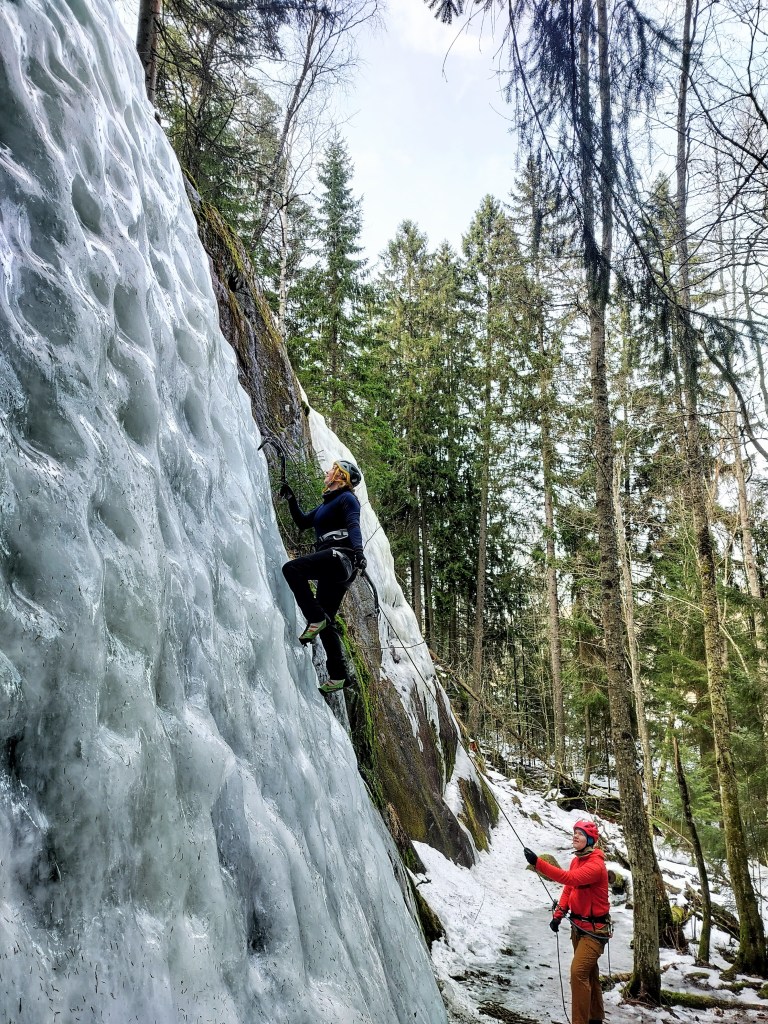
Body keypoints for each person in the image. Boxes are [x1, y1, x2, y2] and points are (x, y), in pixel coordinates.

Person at [280, 459, 367, 694]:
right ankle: (339, 675)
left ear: (340, 476)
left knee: (292, 569)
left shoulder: (347, 498)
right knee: (327, 619)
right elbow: (302, 522)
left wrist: (358, 552)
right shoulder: (324, 506)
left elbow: (353, 525)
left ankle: (314, 617)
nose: (327, 472)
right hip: (335, 564)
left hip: (341, 557)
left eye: (331, 469)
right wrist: (291, 499)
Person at [523, 819, 611, 1024]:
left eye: (579, 833)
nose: (575, 836)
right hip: (578, 928)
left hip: (595, 932)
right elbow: (569, 890)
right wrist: (558, 915)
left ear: (589, 839)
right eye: (574, 832)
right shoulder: (577, 861)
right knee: (589, 973)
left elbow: (568, 879)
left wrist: (538, 863)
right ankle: (595, 1018)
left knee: (578, 973)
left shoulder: (596, 866)